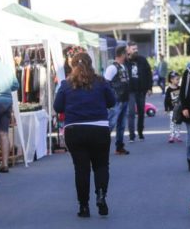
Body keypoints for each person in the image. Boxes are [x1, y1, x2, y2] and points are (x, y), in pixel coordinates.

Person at [53, 53, 115, 218]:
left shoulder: (66, 84)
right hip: (99, 128)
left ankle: (84, 206)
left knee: (81, 169)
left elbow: (57, 107)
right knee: (101, 165)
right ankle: (101, 195)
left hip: (75, 129)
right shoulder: (101, 82)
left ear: (72, 66)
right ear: (91, 64)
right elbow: (112, 102)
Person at [104, 45, 130, 155]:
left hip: (124, 99)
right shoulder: (112, 68)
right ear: (122, 54)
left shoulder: (123, 66)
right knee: (111, 123)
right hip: (116, 101)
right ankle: (102, 146)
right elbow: (106, 84)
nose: (127, 56)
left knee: (122, 125)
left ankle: (119, 147)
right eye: (126, 54)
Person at [126, 43, 153, 142]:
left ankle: (140, 132)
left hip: (141, 90)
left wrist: (150, 87)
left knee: (141, 112)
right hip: (130, 91)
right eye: (133, 49)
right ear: (128, 50)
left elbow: (149, 73)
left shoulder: (142, 60)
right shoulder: (125, 61)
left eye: (136, 48)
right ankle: (131, 135)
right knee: (131, 112)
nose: (136, 50)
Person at [163, 71, 183, 143]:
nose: (178, 81)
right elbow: (166, 100)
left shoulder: (180, 88)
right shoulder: (169, 90)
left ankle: (178, 136)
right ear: (171, 80)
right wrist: (166, 109)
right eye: (177, 79)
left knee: (179, 122)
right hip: (172, 109)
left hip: (179, 109)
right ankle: (172, 136)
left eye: (179, 79)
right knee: (172, 122)